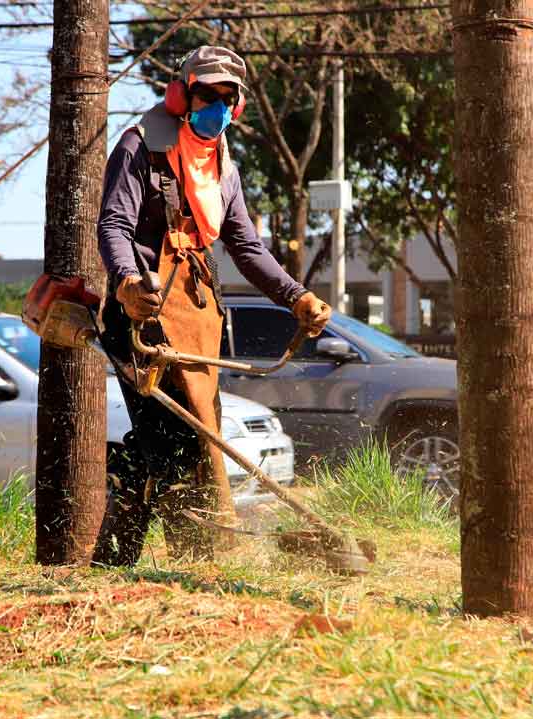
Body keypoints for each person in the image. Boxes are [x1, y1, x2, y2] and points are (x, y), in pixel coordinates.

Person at [94, 45, 330, 565]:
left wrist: (296, 296)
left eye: (228, 98)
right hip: (140, 317)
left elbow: (246, 247)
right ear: (182, 95)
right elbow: (112, 224)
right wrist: (129, 281)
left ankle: (189, 561)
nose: (217, 107)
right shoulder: (139, 147)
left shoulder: (223, 166)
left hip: (198, 319)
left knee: (197, 442)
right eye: (208, 95)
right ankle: (120, 562)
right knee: (168, 439)